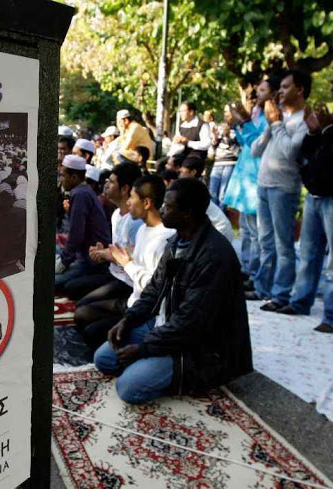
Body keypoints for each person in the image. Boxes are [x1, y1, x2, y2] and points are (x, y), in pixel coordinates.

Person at [93, 177, 252, 403]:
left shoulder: (214, 256)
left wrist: (143, 349)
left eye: (168, 206)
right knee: (104, 359)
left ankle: (189, 377)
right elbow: (154, 290)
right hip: (166, 327)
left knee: (128, 388)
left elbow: (189, 324)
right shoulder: (177, 241)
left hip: (197, 347)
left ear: (187, 213)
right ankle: (152, 365)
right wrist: (128, 320)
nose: (161, 210)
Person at [247, 69, 311, 311]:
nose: (280, 92)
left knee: (283, 243)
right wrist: (271, 126)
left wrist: (275, 124)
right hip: (264, 183)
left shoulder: (304, 120)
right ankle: (263, 288)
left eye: (285, 87)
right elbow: (255, 150)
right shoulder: (280, 117)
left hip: (283, 188)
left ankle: (281, 294)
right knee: (265, 240)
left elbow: (290, 152)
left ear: (300, 90)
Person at [74, 162, 144, 347]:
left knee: (85, 319)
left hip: (128, 283)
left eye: (111, 182)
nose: (106, 185)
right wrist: (101, 251)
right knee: (79, 305)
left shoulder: (135, 222)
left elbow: (132, 260)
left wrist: (106, 254)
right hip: (114, 275)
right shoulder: (116, 215)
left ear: (125, 189)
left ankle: (124, 317)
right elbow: (117, 250)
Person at [277, 104, 333, 333]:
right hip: (314, 194)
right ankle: (300, 301)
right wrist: (313, 133)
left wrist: (327, 129)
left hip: (330, 196)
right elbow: (310, 153)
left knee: (331, 262)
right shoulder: (326, 124)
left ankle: (330, 316)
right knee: (308, 252)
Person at [223, 77, 278, 283]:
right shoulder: (258, 114)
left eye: (263, 90)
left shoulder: (271, 117)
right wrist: (239, 124)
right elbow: (246, 141)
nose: (257, 95)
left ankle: (256, 274)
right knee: (246, 229)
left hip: (257, 177)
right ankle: (246, 268)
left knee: (258, 233)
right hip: (245, 178)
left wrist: (245, 122)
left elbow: (256, 144)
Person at [55, 154, 111, 299]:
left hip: (90, 260)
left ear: (74, 177)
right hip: (83, 255)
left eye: (63, 176)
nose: (61, 180)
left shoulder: (80, 194)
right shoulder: (83, 192)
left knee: (53, 282)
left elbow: (76, 234)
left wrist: (64, 261)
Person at [179, 156, 234, 242]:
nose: (180, 170)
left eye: (184, 167)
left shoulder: (194, 189)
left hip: (219, 232)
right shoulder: (192, 186)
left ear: (193, 172)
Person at [208, 105, 240, 207]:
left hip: (230, 163)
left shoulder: (239, 128)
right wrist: (214, 139)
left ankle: (222, 219)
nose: (226, 114)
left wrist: (227, 137)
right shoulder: (220, 126)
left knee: (223, 194)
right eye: (225, 111)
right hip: (218, 163)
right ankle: (213, 220)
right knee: (212, 193)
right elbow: (214, 148)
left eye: (229, 111)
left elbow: (238, 151)